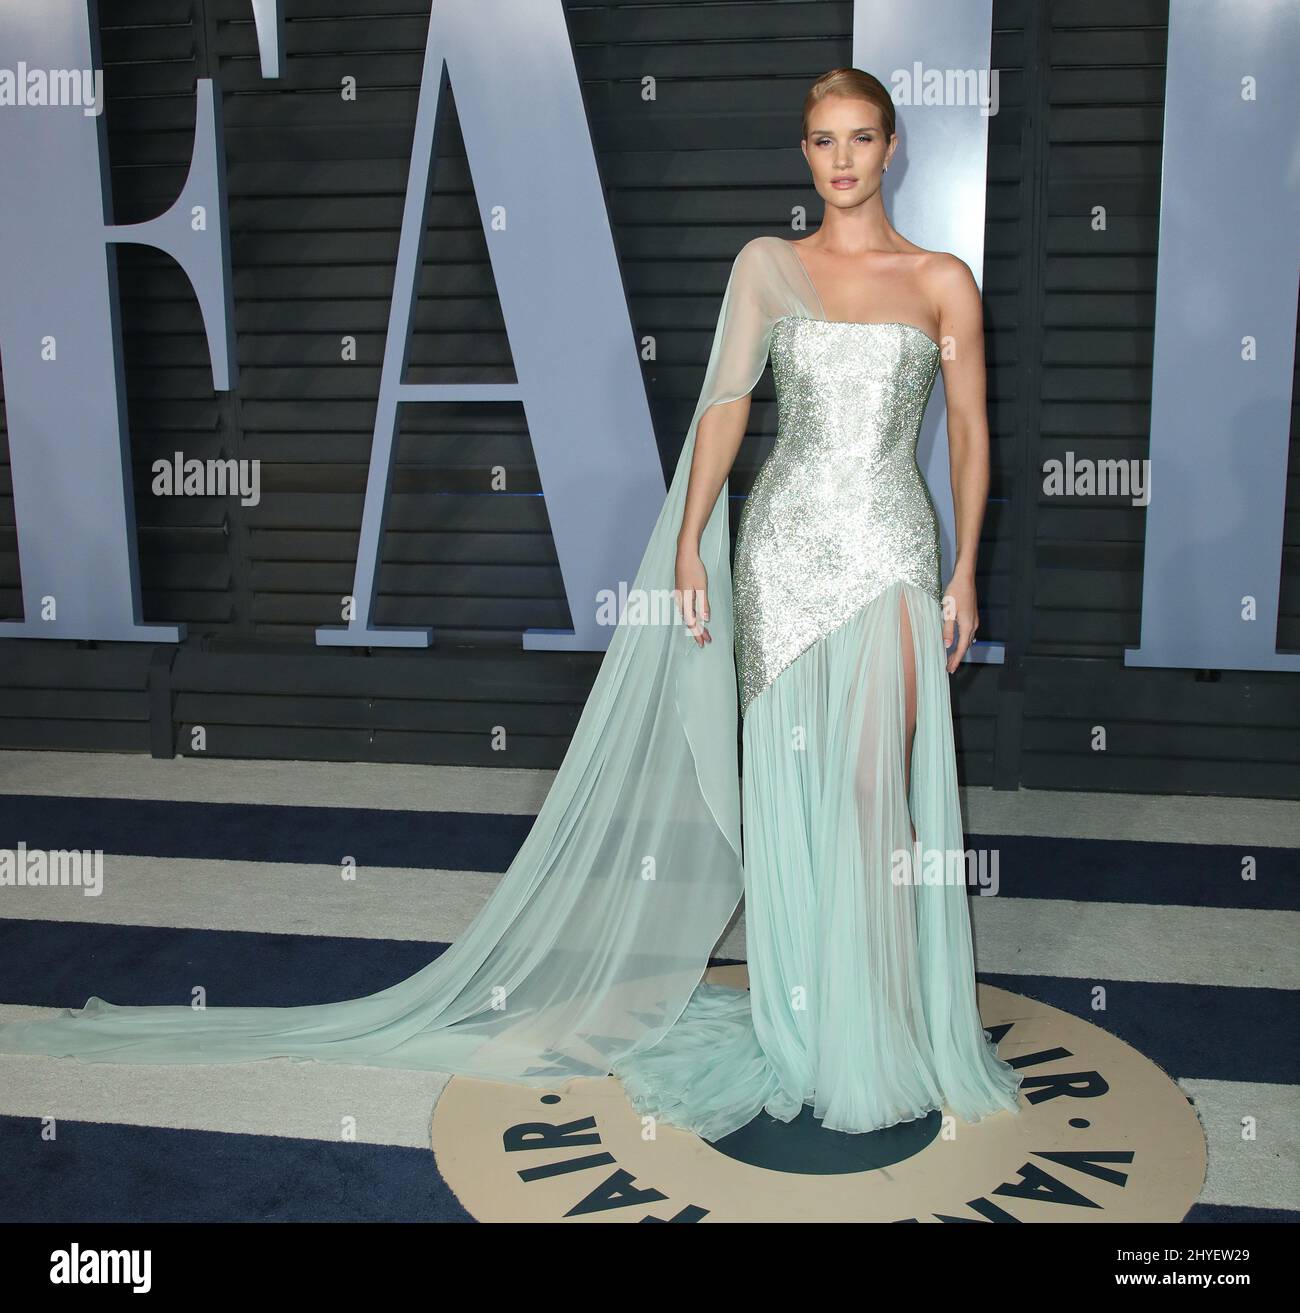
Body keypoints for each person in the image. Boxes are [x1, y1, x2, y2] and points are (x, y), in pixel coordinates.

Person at [0, 68, 1021, 1144]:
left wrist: (962, 571)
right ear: (804, 152)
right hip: (782, 557)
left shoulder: (941, 281)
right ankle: (813, 1024)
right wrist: (688, 542)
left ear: (892, 146)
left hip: (893, 556)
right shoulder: (768, 266)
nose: (842, 159)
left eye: (860, 137)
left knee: (872, 789)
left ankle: (882, 1022)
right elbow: (724, 409)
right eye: (822, 140)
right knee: (793, 787)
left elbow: (968, 430)